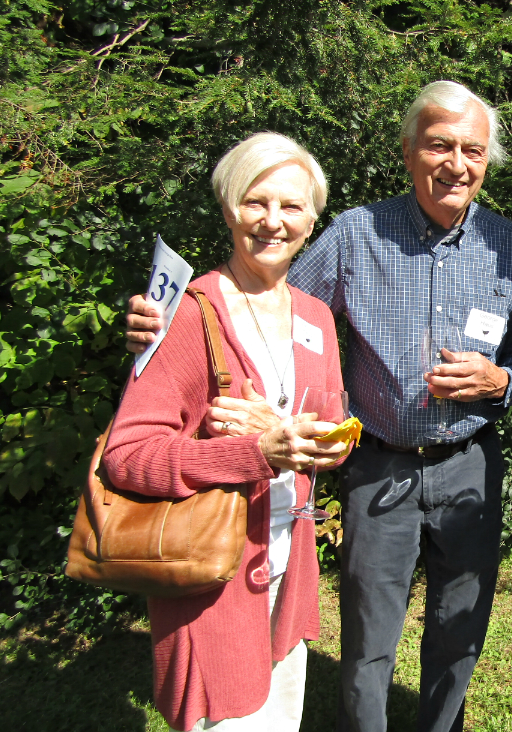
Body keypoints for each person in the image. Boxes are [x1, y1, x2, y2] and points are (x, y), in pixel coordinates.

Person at [126, 82, 512, 732]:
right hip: (380, 468)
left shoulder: (511, 245)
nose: (456, 163)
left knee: (459, 636)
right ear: (408, 152)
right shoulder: (355, 235)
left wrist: (503, 381)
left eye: (472, 149)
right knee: (369, 642)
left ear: (486, 160)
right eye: (439, 145)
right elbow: (267, 298)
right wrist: (175, 317)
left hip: (470, 467)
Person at [103, 132, 350, 731]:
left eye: (291, 206)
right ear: (227, 208)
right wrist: (253, 453)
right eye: (255, 202)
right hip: (210, 576)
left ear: (313, 220)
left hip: (288, 565)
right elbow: (126, 457)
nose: (273, 221)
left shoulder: (315, 316)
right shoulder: (189, 314)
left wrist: (299, 438)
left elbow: (332, 439)